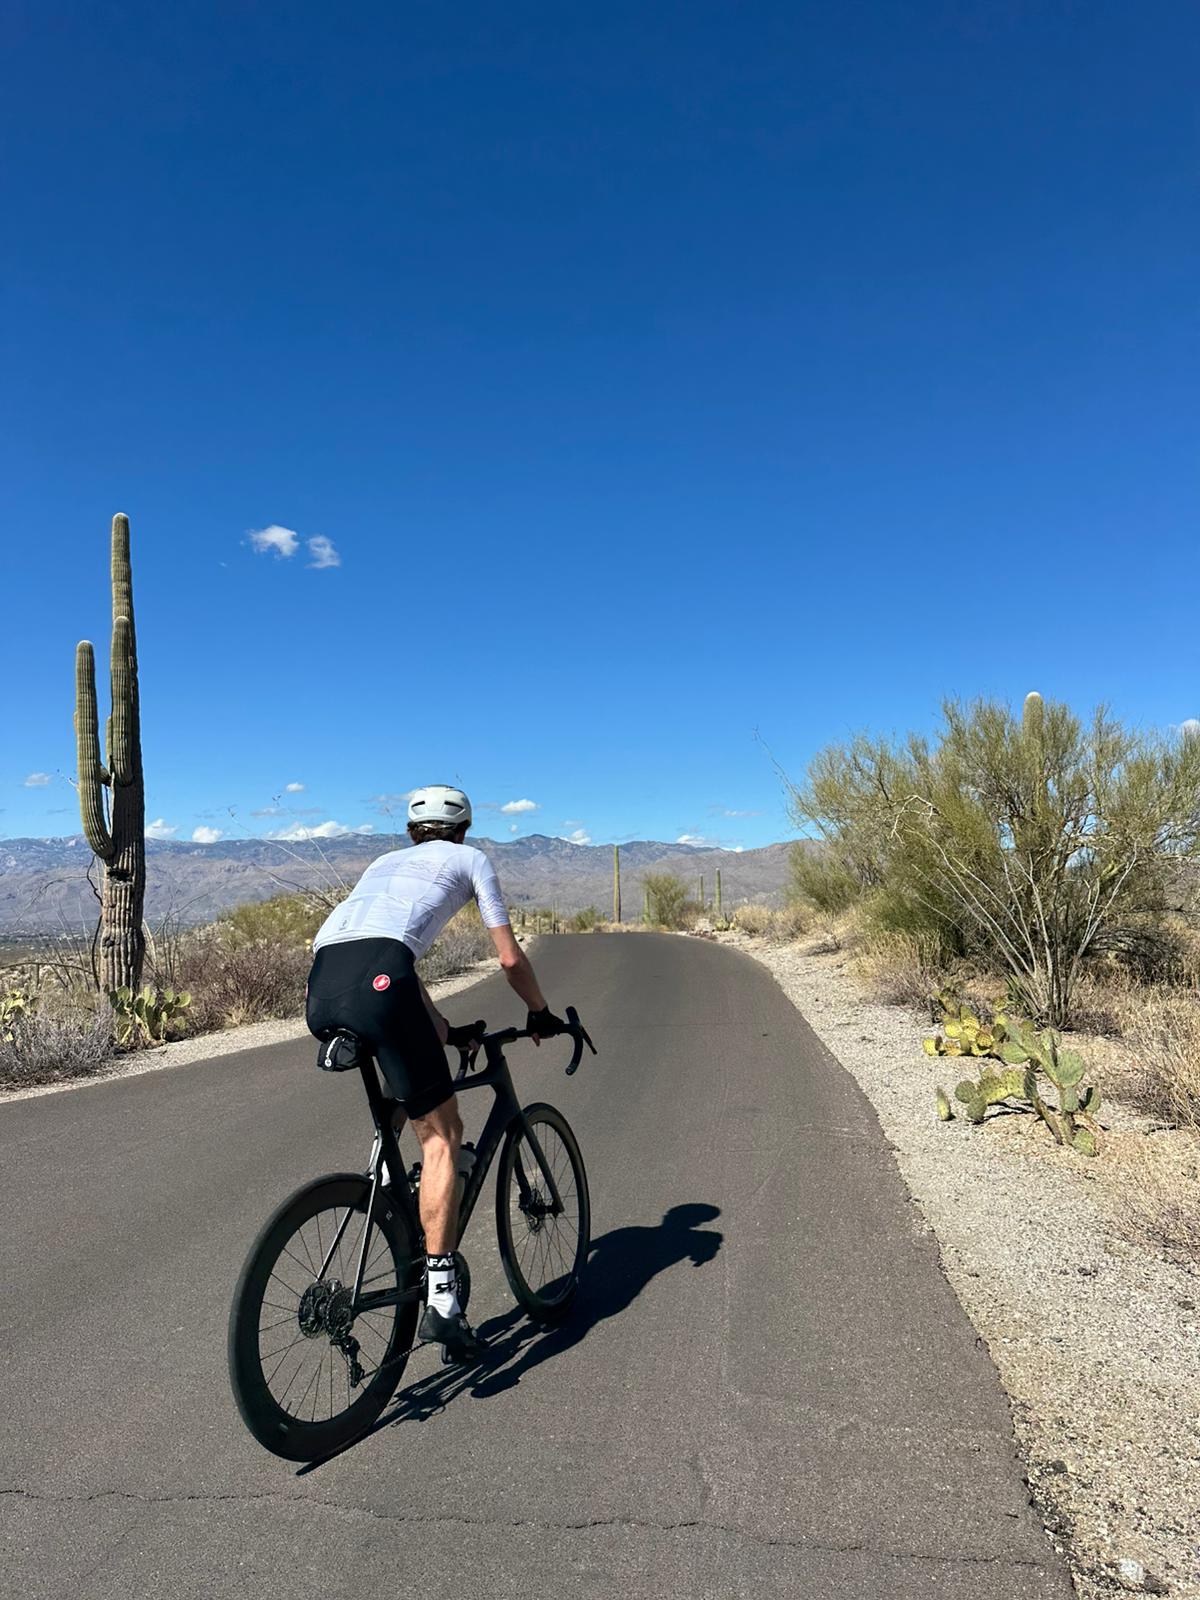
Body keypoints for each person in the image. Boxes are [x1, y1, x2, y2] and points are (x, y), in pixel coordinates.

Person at [305, 784, 565, 1363]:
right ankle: (443, 1299)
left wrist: (446, 1032)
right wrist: (540, 1011)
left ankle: (395, 1192)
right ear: (465, 829)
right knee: (444, 1134)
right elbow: (509, 958)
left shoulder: (382, 862)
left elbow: (389, 956)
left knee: (410, 1097)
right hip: (382, 984)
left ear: (410, 832)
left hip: (324, 987)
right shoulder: (470, 859)